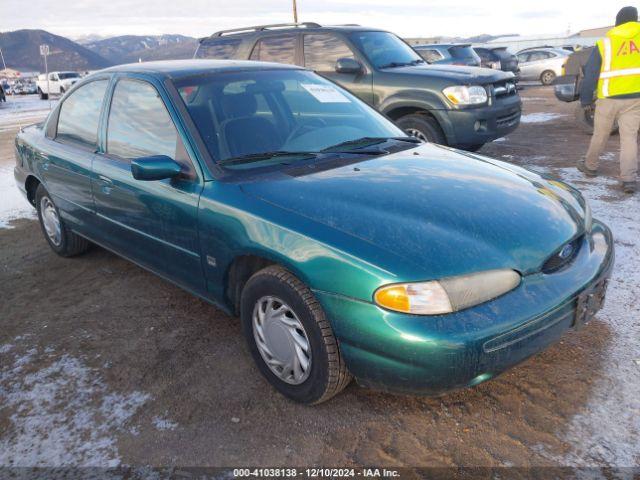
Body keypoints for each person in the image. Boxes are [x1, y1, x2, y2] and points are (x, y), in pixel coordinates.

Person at [579, 6, 640, 194]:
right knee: (629, 138)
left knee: (600, 134)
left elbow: (590, 74)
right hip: (635, 98)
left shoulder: (605, 42)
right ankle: (628, 179)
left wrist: (586, 99)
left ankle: (590, 166)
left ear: (618, 20)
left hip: (608, 98)